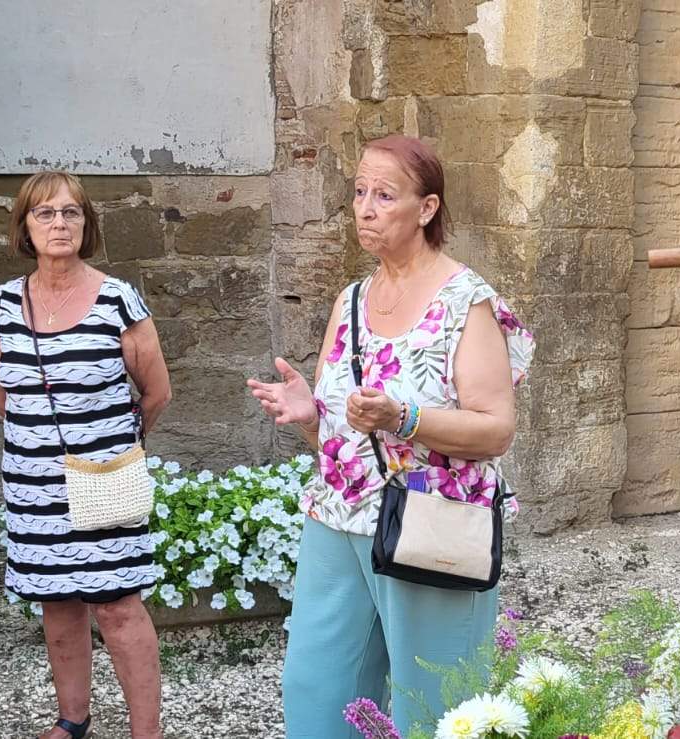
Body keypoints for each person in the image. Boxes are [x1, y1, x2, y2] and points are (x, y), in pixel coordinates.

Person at [247, 134, 534, 736]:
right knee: (318, 689)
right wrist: (311, 414)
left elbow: (496, 429)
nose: (365, 207)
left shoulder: (466, 303)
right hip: (337, 518)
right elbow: (342, 433)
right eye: (358, 192)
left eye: (384, 194)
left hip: (432, 525)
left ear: (426, 209)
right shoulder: (349, 301)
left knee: (432, 699)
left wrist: (403, 418)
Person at [0, 171, 171, 739]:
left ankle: (147, 733)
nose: (59, 223)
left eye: (71, 213)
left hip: (104, 476)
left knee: (117, 607)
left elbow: (156, 393)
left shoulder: (118, 300)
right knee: (57, 605)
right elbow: (3, 399)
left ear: (86, 225)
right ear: (25, 226)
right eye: (45, 214)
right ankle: (73, 719)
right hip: (33, 484)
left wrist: (111, 444)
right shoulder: (1, 306)